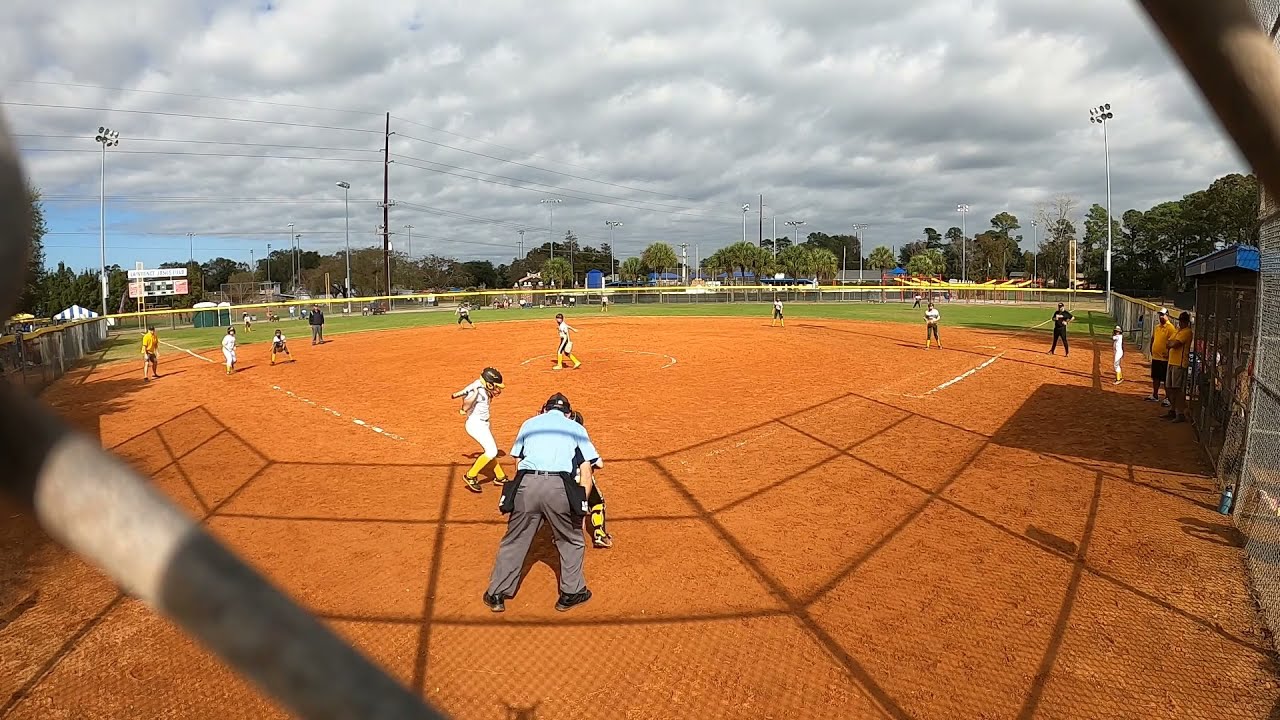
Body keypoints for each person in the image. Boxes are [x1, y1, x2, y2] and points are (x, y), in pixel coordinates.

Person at [484, 393, 600, 613]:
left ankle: (496, 594)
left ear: (545, 409)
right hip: (559, 486)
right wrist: (581, 503)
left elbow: (517, 462)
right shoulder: (575, 427)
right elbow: (587, 470)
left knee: (515, 539)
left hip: (527, 483)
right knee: (572, 539)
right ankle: (571, 593)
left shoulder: (529, 423)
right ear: (568, 413)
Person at [451, 367, 508, 493]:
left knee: (490, 450)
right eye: (495, 385)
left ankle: (500, 476)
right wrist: (472, 397)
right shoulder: (475, 390)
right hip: (475, 425)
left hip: (484, 424)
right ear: (488, 383)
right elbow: (465, 407)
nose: (497, 389)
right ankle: (470, 476)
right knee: (492, 450)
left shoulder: (482, 387)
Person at [569, 410, 612, 548]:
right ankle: (599, 534)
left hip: (563, 481)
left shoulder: (558, 442)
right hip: (583, 480)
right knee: (597, 503)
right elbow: (599, 464)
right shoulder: (582, 442)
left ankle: (558, 536)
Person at [1164, 311, 1194, 423]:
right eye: (1180, 320)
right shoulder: (1177, 330)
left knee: (1177, 389)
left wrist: (1172, 343)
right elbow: (1168, 342)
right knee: (1169, 387)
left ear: (1187, 322)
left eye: (1183, 321)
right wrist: (1171, 343)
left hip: (1180, 364)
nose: (1181, 322)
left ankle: (1179, 413)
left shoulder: (1187, 332)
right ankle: (1173, 410)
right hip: (1171, 362)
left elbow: (1175, 344)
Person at [1148, 308, 1175, 406]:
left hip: (1164, 359)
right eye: (1160, 315)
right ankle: (1155, 395)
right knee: (1155, 377)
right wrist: (1151, 349)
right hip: (1156, 357)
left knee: (1165, 380)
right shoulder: (1157, 327)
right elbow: (1153, 338)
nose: (1161, 317)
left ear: (1167, 315)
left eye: (1163, 315)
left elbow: (1172, 342)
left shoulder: (1170, 328)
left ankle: (1167, 398)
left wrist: (1169, 353)